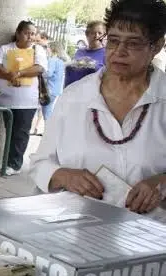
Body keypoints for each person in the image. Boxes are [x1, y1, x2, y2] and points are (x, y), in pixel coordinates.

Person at [30, 0, 166, 215]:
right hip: (76, 228)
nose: (119, 51)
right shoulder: (74, 97)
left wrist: (161, 183)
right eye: (113, 40)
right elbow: (40, 163)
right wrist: (64, 175)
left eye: (133, 43)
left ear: (156, 46)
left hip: (152, 234)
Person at [0, 20, 47, 176]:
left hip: (27, 101)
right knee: (9, 131)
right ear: (18, 33)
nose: (30, 36)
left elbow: (39, 68)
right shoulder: (6, 48)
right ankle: (7, 162)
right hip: (7, 99)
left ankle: (14, 165)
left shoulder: (38, 50)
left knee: (21, 133)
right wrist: (10, 75)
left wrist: (19, 73)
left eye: (33, 33)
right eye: (27, 32)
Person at [65, 20, 106, 87]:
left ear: (104, 36)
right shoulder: (80, 52)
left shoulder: (106, 53)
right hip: (75, 90)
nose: (96, 36)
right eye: (93, 33)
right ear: (87, 34)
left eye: (100, 33)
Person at [41, 41, 67, 121]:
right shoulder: (61, 61)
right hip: (56, 90)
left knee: (46, 112)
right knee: (49, 110)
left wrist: (39, 73)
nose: (46, 50)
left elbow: (48, 73)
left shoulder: (52, 60)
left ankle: (48, 131)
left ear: (53, 49)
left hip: (49, 89)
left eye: (47, 47)